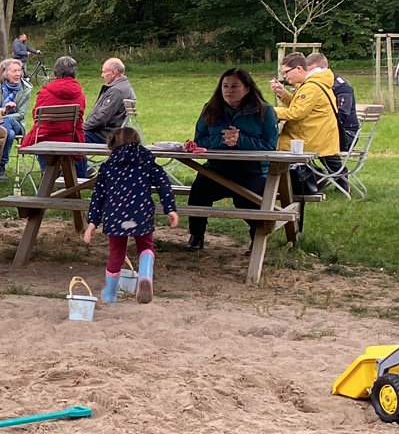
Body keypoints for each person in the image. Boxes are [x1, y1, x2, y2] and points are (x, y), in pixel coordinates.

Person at [186, 68, 280, 252]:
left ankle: (257, 239)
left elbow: (270, 145)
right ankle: (196, 235)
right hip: (217, 167)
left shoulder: (264, 111)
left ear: (247, 89)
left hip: (252, 169)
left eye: (235, 86)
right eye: (225, 86)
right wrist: (222, 140)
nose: (229, 90)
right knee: (198, 191)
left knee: (248, 200)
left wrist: (241, 140)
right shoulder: (210, 108)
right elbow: (199, 140)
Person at [83, 126, 178, 304]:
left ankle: (110, 293)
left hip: (115, 214)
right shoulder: (148, 162)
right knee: (146, 246)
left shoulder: (107, 167)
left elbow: (98, 196)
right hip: (141, 212)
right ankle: (145, 275)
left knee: (116, 252)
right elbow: (164, 184)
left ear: (112, 145)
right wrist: (170, 208)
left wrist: (92, 222)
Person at [18, 55, 89, 178]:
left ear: (56, 72)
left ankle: (49, 174)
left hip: (45, 138)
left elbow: (36, 117)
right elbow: (79, 120)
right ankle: (77, 175)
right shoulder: (80, 94)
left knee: (40, 136)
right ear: (74, 72)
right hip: (69, 137)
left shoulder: (45, 92)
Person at [271, 52, 342, 165]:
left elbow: (296, 113)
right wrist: (283, 94)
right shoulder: (314, 83)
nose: (285, 76)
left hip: (313, 139)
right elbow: (301, 105)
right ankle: (319, 179)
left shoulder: (310, 87)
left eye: (286, 72)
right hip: (322, 138)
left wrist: (269, 111)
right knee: (335, 170)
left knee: (275, 158)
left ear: (298, 68)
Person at [0, 58, 33, 178]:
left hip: (18, 124)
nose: (17, 74)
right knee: (8, 133)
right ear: (5, 73)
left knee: (9, 122)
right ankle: (1, 167)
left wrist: (5, 115)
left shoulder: (26, 88)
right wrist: (3, 111)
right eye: (14, 71)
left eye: (19, 71)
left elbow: (21, 114)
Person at [307, 51, 360, 152]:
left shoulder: (341, 86)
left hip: (346, 134)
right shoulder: (313, 85)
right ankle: (301, 166)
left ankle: (336, 168)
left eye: (313, 71)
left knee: (303, 139)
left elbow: (342, 115)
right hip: (325, 131)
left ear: (325, 68)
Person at [83, 57, 135, 143]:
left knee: (72, 138)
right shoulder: (124, 87)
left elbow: (101, 119)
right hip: (110, 133)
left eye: (104, 72)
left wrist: (82, 127)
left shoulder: (116, 91)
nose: (102, 75)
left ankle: (81, 157)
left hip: (104, 135)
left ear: (113, 72)